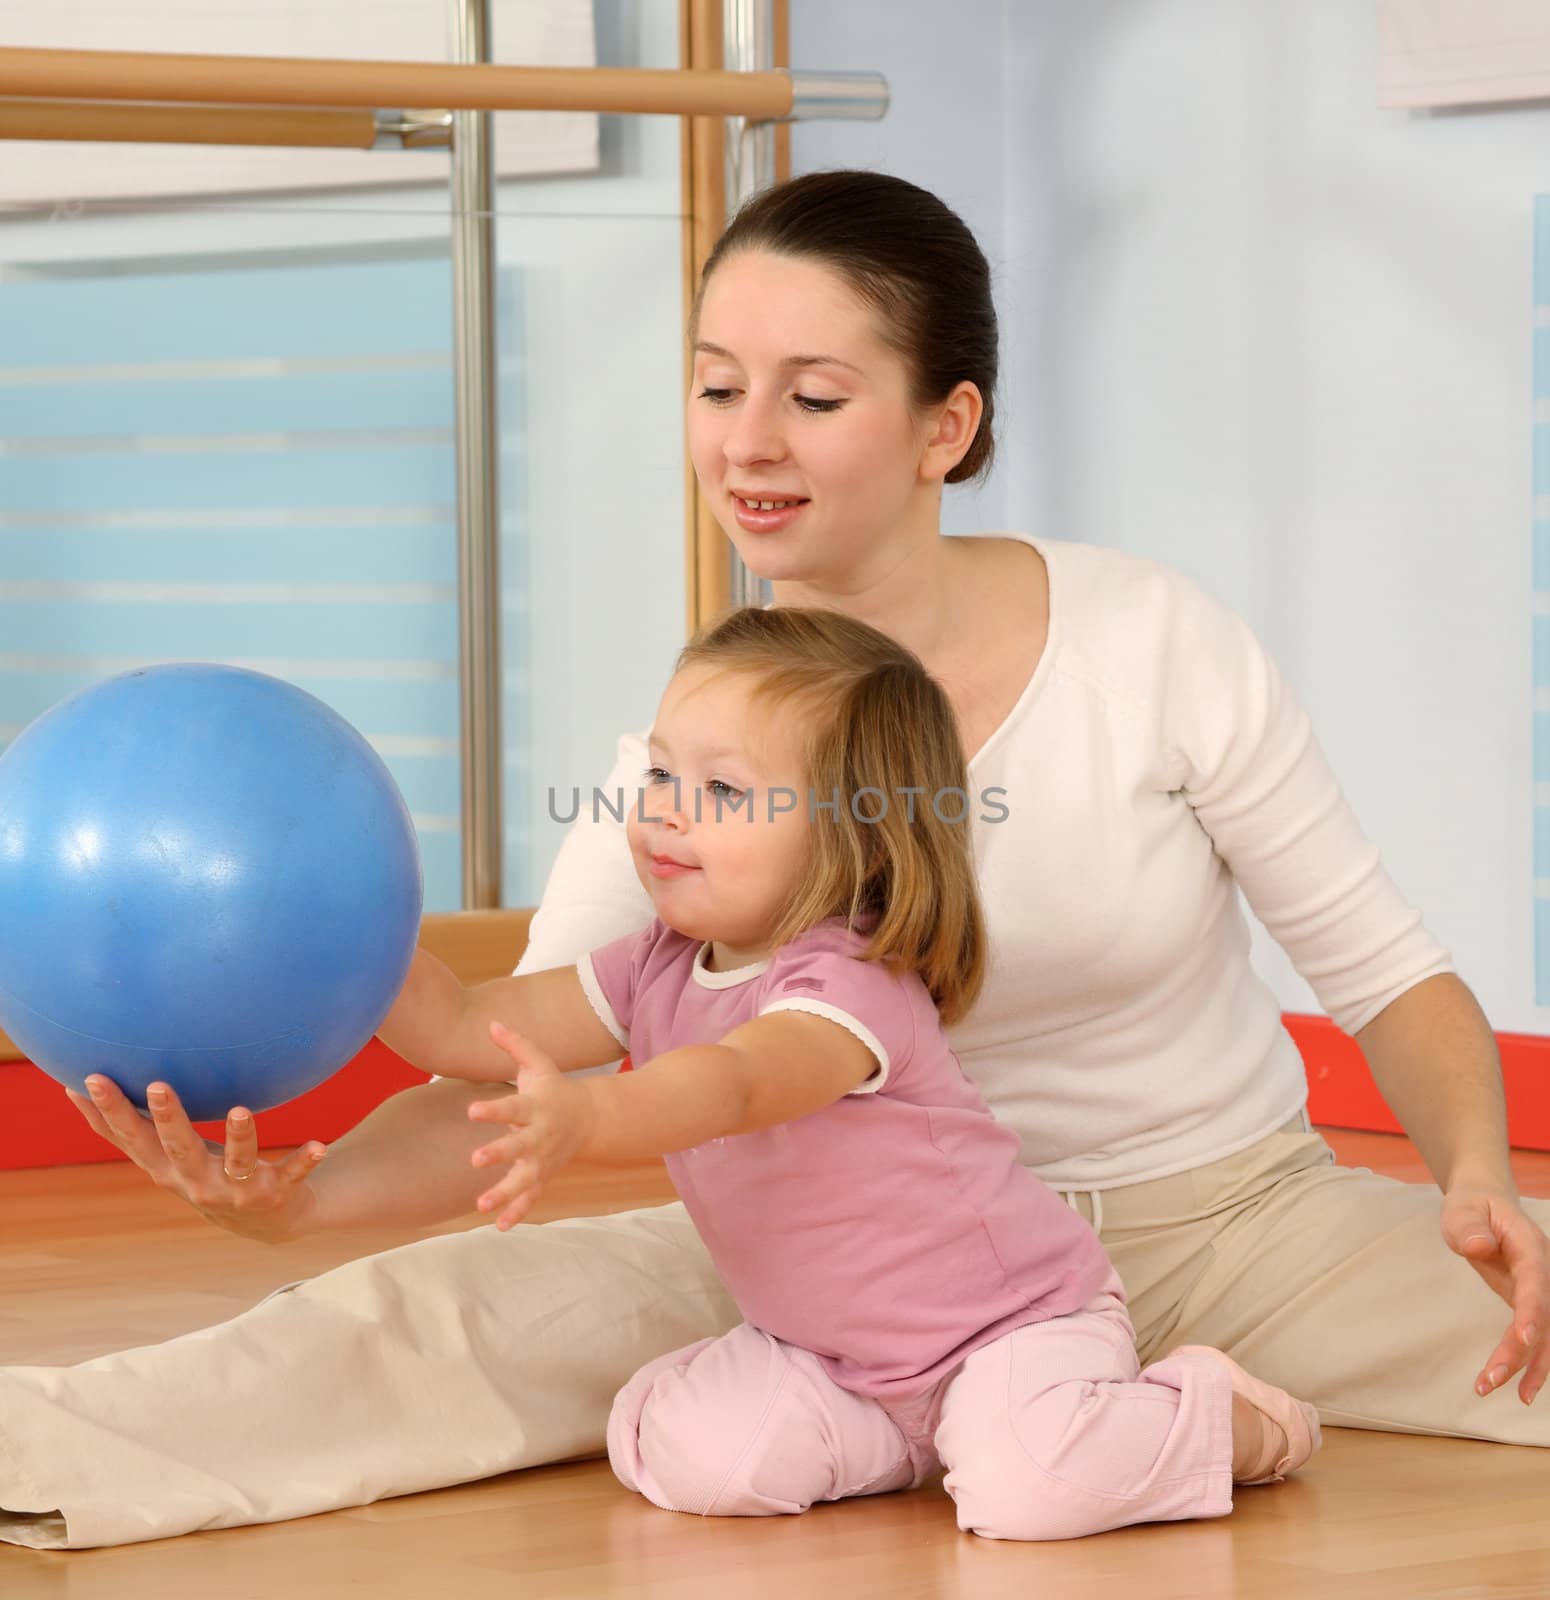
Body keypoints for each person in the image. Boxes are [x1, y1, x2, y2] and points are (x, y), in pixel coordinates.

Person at [1, 169, 1545, 1552]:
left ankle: (1164, 1416)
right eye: (716, 385)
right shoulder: (688, 762)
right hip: (823, 1266)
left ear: (947, 423)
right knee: (435, 1317)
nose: (746, 441)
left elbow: (1386, 970)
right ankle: (42, 1450)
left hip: (1224, 1229)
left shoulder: (1150, 641)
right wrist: (301, 1197)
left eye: (812, 396)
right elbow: (513, 1066)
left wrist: (1475, 1173)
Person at [378, 603, 1320, 1535]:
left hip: (1011, 1330)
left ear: (851, 835)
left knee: (1027, 1488)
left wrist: (587, 1121)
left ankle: (1221, 1417)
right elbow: (469, 1023)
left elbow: (737, 1082)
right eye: (661, 771)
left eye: (724, 792)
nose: (665, 810)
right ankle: (926, 1445)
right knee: (694, 1456)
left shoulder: (849, 982)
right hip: (832, 1357)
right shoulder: (655, 962)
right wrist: (352, 946)